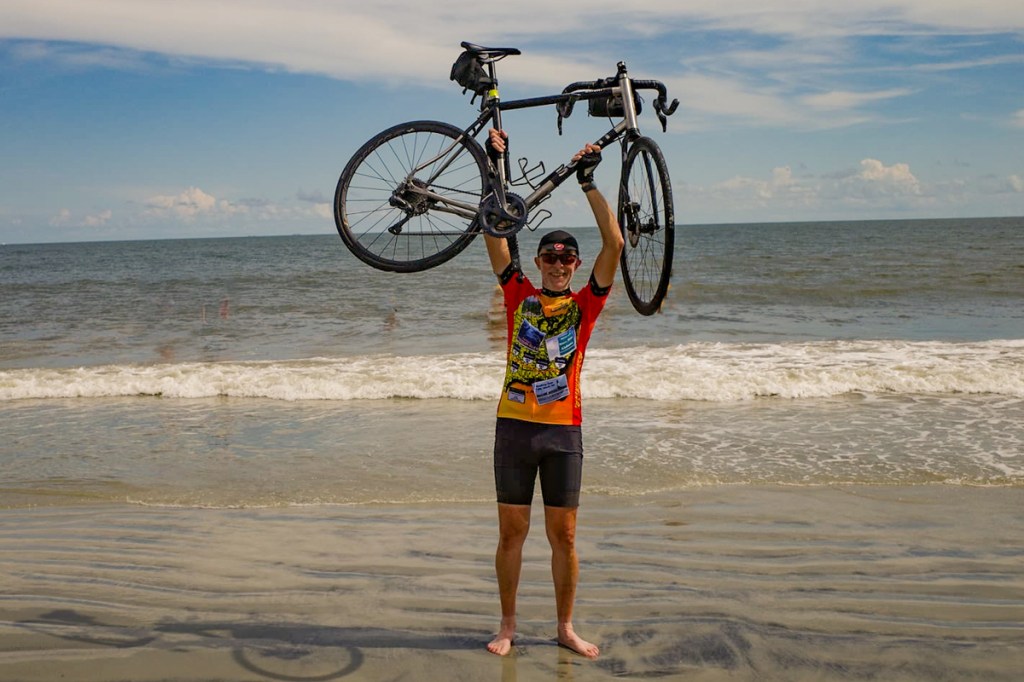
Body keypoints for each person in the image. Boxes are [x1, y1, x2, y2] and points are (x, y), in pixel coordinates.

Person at [483, 128, 624, 659]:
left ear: (576, 266)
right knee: (511, 533)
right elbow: (493, 231)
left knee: (563, 536)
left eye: (567, 259)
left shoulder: (586, 305)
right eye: (550, 256)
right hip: (514, 429)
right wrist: (494, 168)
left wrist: (588, 183)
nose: (559, 264)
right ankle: (508, 624)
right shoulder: (518, 294)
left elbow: (615, 244)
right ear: (539, 262)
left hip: (564, 433)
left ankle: (566, 627)